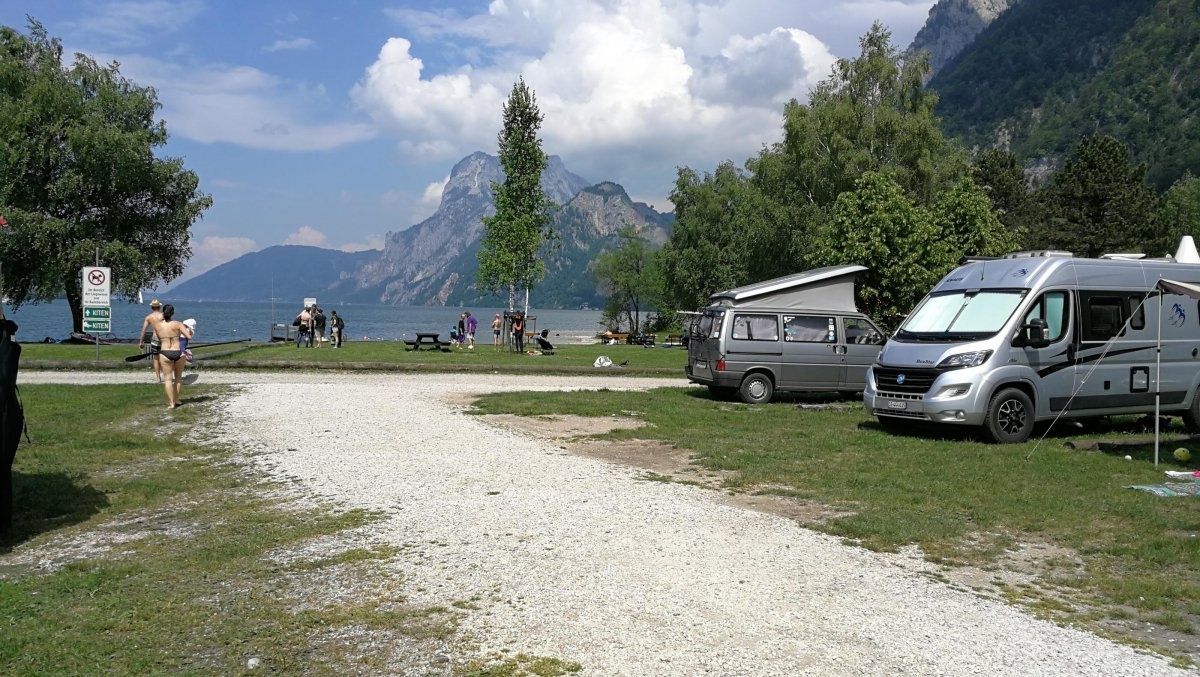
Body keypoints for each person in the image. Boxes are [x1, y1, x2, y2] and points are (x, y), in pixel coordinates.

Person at [153, 304, 193, 409]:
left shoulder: (157, 325)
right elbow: (188, 336)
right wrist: (189, 331)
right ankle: (176, 400)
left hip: (165, 353)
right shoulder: (178, 324)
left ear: (163, 313)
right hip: (178, 352)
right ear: (173, 313)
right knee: (178, 378)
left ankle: (171, 403)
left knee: (168, 379)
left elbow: (157, 338)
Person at [138, 299, 165, 384]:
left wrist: (141, 341)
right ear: (159, 307)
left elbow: (143, 330)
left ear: (152, 307)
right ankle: (166, 374)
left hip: (155, 338)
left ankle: (158, 378)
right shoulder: (164, 316)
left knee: (156, 359)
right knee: (165, 357)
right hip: (164, 338)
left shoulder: (149, 317)